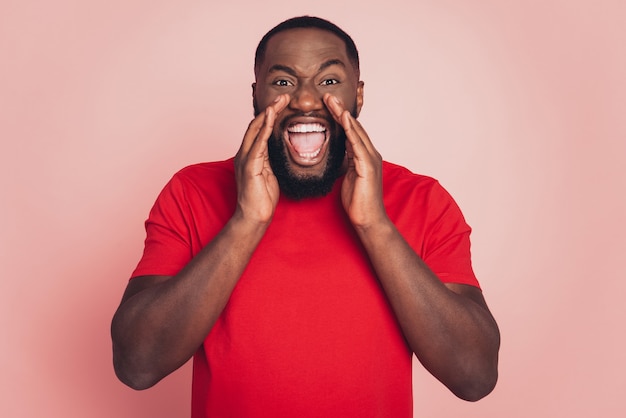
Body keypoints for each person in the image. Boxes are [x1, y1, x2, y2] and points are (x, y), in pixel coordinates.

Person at [111, 16, 500, 417]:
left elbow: (474, 375)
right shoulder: (192, 192)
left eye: (329, 81)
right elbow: (137, 364)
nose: (307, 101)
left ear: (358, 96)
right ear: (256, 96)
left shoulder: (423, 200)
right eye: (283, 82)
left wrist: (375, 225)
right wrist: (246, 221)